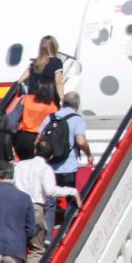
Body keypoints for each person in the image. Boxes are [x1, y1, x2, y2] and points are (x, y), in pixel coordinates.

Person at [15, 148, 78, 263]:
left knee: (19, 244)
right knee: (37, 249)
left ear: (35, 150)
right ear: (50, 156)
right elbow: (50, 191)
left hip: (17, 207)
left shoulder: (19, 165)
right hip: (35, 208)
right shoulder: (45, 169)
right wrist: (71, 191)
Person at [46, 91, 93, 232]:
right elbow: (80, 140)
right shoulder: (77, 119)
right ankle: (65, 230)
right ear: (77, 105)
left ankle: (48, 232)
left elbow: (39, 139)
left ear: (62, 103)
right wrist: (89, 154)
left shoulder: (51, 117)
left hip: (51, 165)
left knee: (51, 200)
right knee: (70, 198)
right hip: (68, 165)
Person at [13, 37, 64, 160]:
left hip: (31, 102)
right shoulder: (56, 62)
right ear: (54, 46)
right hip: (47, 100)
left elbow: (21, 79)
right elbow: (58, 82)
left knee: (29, 127)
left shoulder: (35, 63)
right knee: (48, 128)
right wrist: (62, 99)